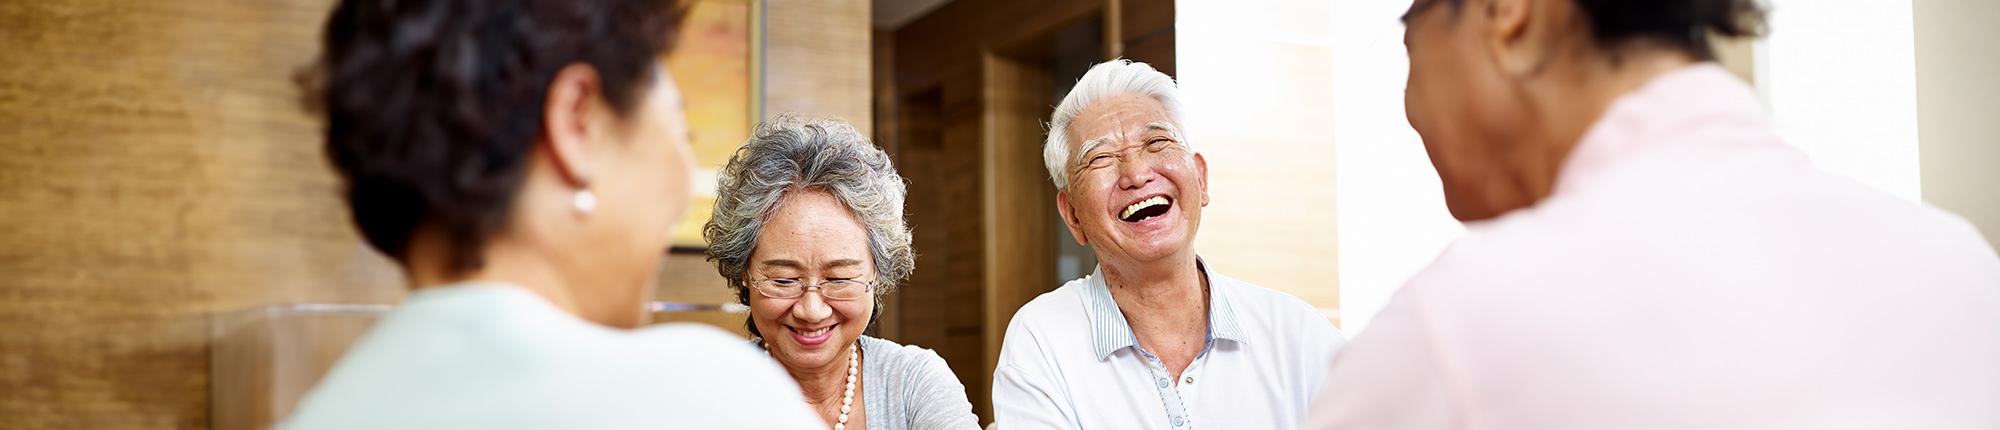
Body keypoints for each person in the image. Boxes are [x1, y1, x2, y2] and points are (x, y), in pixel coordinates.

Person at [1306, 0, 2000, 428]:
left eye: (1408, 42)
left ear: (1507, 13)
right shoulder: (1962, 267)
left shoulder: (1460, 322)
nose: (1410, 105)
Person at [283, 1, 819, 428]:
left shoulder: (317, 413)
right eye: (684, 133)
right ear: (577, 122)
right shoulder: (709, 398)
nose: (684, 184)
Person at [991, 59, 1347, 430]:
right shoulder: (1042, 340)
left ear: (1201, 178)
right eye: (1100, 158)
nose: (1137, 174)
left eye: (1157, 142)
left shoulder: (1296, 333)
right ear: (1073, 216)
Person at [704, 116, 980, 430]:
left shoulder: (913, 383)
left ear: (877, 273)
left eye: (838, 279)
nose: (811, 310)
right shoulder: (709, 391)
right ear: (745, 273)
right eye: (784, 280)